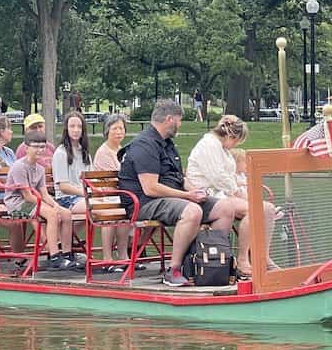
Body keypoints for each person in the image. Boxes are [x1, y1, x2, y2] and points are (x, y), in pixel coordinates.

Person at [118, 99, 234, 287]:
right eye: (179, 120)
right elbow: (150, 187)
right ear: (170, 119)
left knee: (225, 208)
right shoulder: (144, 145)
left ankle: (208, 262)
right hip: (145, 203)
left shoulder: (168, 144)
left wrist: (194, 190)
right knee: (192, 211)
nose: (180, 125)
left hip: (173, 199)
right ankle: (174, 270)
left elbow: (179, 178)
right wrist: (188, 197)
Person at [185, 115, 273, 278]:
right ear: (232, 136)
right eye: (237, 141)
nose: (236, 145)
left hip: (222, 192)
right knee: (253, 209)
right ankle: (242, 259)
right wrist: (236, 191)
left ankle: (263, 256)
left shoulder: (221, 147)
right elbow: (218, 177)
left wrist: (237, 191)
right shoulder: (209, 145)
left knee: (268, 209)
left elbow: (226, 176)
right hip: (209, 193)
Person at [5, 129, 76, 271]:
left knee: (66, 213)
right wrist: (48, 208)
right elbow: (27, 195)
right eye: (36, 146)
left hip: (32, 202)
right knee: (51, 214)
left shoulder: (40, 169)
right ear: (27, 148)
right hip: (17, 205)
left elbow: (44, 193)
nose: (40, 150)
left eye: (42, 146)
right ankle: (54, 256)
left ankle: (67, 254)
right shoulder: (19, 166)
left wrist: (55, 205)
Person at [91, 112, 130, 265]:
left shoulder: (123, 151)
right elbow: (111, 181)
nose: (119, 132)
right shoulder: (103, 152)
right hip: (104, 196)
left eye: (121, 128)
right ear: (107, 130)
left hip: (120, 194)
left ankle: (123, 255)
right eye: (115, 128)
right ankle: (107, 258)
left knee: (127, 210)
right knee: (115, 212)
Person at [52, 111, 90, 216]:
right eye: (72, 126)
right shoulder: (61, 153)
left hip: (83, 196)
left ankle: (68, 233)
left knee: (108, 205)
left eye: (79, 127)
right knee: (96, 207)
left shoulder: (84, 152)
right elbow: (63, 187)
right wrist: (85, 193)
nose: (76, 130)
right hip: (66, 199)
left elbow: (91, 179)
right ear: (66, 129)